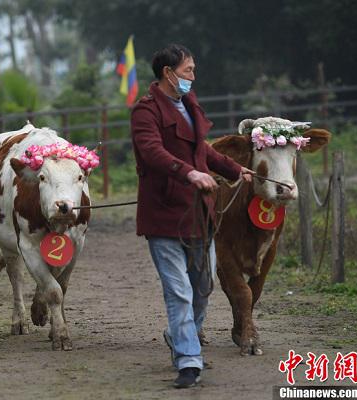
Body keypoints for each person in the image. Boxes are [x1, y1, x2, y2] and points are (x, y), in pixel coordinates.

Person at [130, 44, 254, 389]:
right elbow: (152, 151)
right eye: (188, 71)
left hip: (200, 216)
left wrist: (234, 169)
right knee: (179, 292)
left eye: (193, 70)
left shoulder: (189, 104)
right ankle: (188, 360)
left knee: (203, 286)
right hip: (164, 215)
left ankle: (177, 334)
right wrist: (188, 173)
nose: (192, 77)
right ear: (168, 74)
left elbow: (204, 152)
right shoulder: (145, 111)